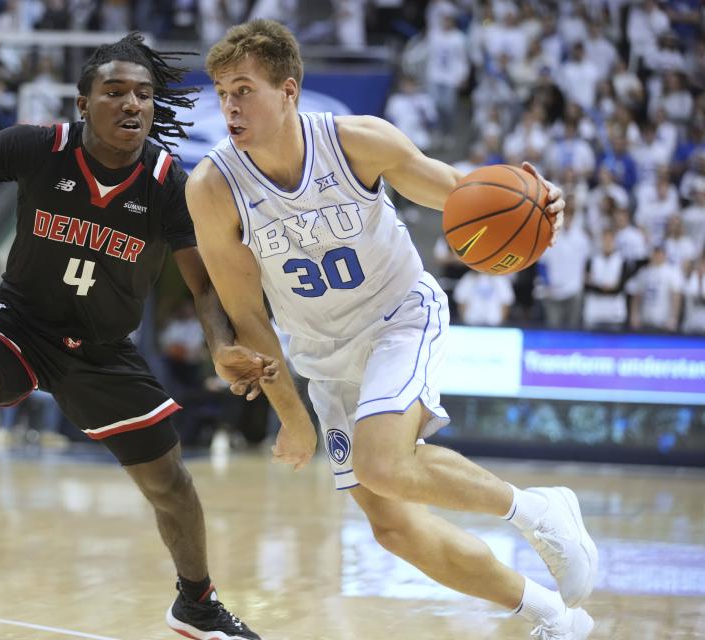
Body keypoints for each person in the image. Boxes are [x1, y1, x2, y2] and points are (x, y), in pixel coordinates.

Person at [187, 20, 598, 640]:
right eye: (221, 92)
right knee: (394, 528)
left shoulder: (357, 141)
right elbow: (247, 315)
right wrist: (293, 417)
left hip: (398, 315)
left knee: (383, 463)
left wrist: (537, 202)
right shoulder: (213, 189)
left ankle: (537, 509)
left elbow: (463, 193)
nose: (230, 106)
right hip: (323, 358)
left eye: (243, 89)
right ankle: (552, 617)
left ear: (289, 90)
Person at [0, 37, 274, 640]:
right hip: (20, 321)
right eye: (114, 91)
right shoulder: (39, 147)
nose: (132, 104)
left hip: (102, 350)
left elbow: (204, 286)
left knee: (170, 483)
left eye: (144, 94)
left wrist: (221, 345)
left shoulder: (169, 183)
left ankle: (196, 604)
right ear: (82, 102)